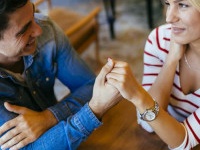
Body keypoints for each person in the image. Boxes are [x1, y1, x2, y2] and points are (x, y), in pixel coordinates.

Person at [0, 0, 121, 150]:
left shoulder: (47, 31)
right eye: (24, 30)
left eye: (34, 13)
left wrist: (49, 117)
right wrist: (93, 111)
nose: (38, 30)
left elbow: (90, 86)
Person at [105, 0, 200, 149]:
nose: (169, 18)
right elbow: (148, 124)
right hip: (166, 132)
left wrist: (138, 95)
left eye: (183, 5)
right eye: (168, 4)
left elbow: (184, 142)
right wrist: (171, 60)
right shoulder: (160, 39)